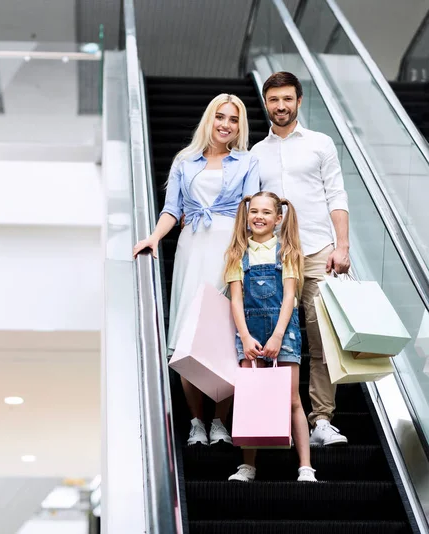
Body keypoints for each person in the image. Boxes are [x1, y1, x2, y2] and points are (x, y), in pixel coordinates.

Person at [133, 93, 260, 446]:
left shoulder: (247, 162)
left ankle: (220, 421)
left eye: (233, 119)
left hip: (229, 249)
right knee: (188, 335)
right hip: (192, 248)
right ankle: (195, 421)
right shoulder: (184, 161)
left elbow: (249, 212)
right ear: (209, 119)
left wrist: (245, 254)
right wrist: (155, 238)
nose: (226, 124)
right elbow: (171, 208)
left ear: (240, 126)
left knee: (224, 335)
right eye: (220, 117)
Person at [251, 72, 350, 446]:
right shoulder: (255, 154)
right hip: (272, 260)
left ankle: (321, 419)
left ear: (299, 101)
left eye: (287, 99)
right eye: (274, 100)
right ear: (266, 103)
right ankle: (277, 420)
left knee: (322, 338)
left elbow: (336, 195)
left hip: (319, 253)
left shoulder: (320, 144)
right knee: (274, 339)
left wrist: (342, 246)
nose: (281, 106)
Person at [225, 191, 316, 482]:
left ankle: (305, 466)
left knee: (292, 400)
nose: (259, 217)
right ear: (246, 215)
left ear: (278, 219)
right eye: (254, 212)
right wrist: (245, 337)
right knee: (251, 397)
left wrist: (277, 336)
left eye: (266, 212)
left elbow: (289, 297)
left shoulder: (287, 252)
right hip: (249, 334)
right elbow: (236, 300)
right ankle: (248, 465)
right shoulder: (237, 253)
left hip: (283, 332)